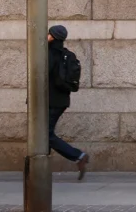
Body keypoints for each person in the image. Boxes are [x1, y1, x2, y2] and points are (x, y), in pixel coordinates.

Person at [47, 25, 89, 180]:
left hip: (50, 100)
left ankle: (78, 155)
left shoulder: (50, 53)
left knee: (44, 135)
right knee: (45, 134)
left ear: (52, 36)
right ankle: (43, 166)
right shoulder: (65, 54)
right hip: (61, 100)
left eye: (48, 34)